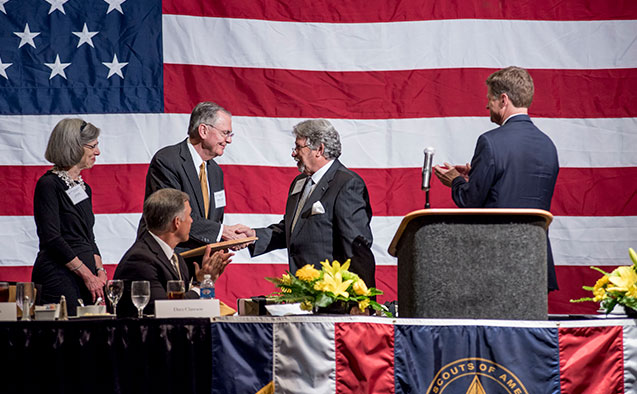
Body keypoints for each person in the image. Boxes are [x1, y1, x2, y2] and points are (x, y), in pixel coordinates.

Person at [433, 66, 560, 291]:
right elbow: (517, 185)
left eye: (489, 99)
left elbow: (471, 201)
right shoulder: (548, 145)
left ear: (503, 100)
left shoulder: (490, 142)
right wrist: (476, 173)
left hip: (496, 262)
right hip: (536, 262)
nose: (486, 105)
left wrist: (455, 180)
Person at [240, 119, 376, 287]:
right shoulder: (300, 182)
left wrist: (362, 301)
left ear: (319, 149)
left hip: (332, 296)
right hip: (302, 292)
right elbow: (294, 229)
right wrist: (253, 236)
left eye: (298, 147)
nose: (293, 153)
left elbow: (356, 247)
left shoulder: (347, 184)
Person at [139, 101, 247, 251]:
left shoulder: (215, 171)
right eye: (225, 133)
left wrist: (222, 244)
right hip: (167, 260)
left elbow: (214, 219)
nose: (229, 140)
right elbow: (172, 216)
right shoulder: (167, 161)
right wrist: (221, 232)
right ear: (203, 130)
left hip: (201, 262)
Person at [114, 188, 233, 317]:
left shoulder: (176, 259)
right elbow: (167, 310)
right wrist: (200, 288)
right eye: (189, 216)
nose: (191, 221)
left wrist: (202, 280)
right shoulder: (140, 260)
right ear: (177, 222)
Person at [31, 118, 106, 315]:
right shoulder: (48, 185)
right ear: (73, 146)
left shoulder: (84, 188)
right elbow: (52, 238)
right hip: (60, 277)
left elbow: (89, 237)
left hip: (88, 280)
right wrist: (88, 275)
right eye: (93, 146)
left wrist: (100, 272)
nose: (97, 152)